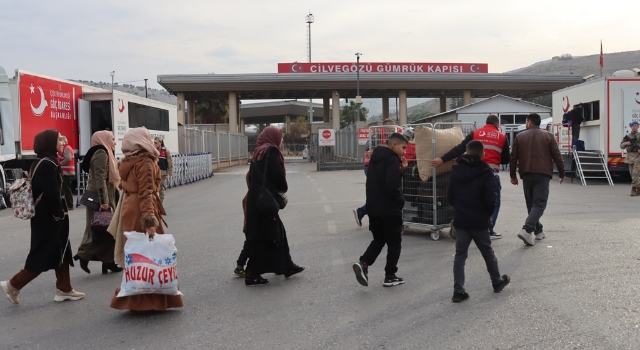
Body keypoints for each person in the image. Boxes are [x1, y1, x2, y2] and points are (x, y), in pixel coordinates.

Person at [1, 129, 84, 305]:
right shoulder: (47, 164)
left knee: (61, 251)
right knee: (43, 255)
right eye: (59, 139)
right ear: (49, 142)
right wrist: (59, 214)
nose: (62, 142)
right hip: (50, 219)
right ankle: (12, 284)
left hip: (47, 218)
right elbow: (52, 194)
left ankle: (64, 288)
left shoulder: (44, 161)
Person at [109, 127, 183, 312]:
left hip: (129, 208)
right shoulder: (146, 162)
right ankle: (150, 300)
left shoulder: (129, 162)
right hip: (142, 210)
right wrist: (149, 222)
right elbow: (147, 192)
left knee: (136, 255)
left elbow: (125, 185)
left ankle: (135, 297)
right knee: (151, 256)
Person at [447, 140, 510, 302]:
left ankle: (458, 290)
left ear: (466, 152)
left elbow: (450, 197)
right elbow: (491, 200)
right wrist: (486, 214)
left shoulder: (456, 170)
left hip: (461, 219)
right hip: (479, 219)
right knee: (487, 252)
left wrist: (460, 209)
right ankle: (496, 282)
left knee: (460, 255)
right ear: (483, 153)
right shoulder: (485, 172)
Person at [244, 126, 304, 286]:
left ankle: (287, 266)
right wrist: (282, 187)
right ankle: (253, 273)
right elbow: (277, 174)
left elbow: (251, 176)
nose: (282, 139)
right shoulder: (271, 151)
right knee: (268, 236)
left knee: (275, 232)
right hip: (265, 200)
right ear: (273, 137)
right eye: (280, 137)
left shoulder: (258, 152)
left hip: (256, 199)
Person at [432, 115, 509, 240]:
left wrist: (442, 159)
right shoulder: (502, 137)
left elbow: (460, 148)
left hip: (470, 173)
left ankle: (462, 224)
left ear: (486, 123)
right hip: (490, 175)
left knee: (469, 202)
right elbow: (506, 160)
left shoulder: (475, 133)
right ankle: (487, 230)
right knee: (493, 203)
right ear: (497, 125)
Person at [352, 132, 409, 287]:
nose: (404, 152)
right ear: (394, 145)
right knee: (394, 243)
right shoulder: (391, 159)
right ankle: (390, 275)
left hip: (374, 208)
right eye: (403, 147)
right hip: (389, 209)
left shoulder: (376, 158)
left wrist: (401, 171)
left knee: (379, 239)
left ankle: (364, 263)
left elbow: (380, 181)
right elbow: (391, 185)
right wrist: (401, 201)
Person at [510, 113, 565, 246]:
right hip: (543, 173)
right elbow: (557, 156)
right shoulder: (548, 136)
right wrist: (562, 173)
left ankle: (538, 231)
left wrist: (513, 175)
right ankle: (527, 229)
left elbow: (513, 158)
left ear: (529, 122)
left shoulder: (520, 136)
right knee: (539, 204)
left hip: (526, 173)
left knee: (532, 204)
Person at [73, 131, 123, 274]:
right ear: (104, 140)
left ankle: (108, 261)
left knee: (104, 228)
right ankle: (84, 255)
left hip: (102, 194)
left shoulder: (104, 152)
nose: (114, 142)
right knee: (103, 228)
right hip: (99, 196)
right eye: (112, 139)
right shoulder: (101, 153)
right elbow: (100, 178)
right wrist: (104, 201)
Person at [353, 119, 402, 227]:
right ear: (386, 127)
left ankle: (364, 212)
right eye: (392, 127)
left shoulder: (393, 136)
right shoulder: (378, 135)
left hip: (378, 167)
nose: (394, 129)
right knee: (381, 194)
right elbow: (368, 146)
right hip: (372, 167)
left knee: (380, 194)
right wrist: (372, 151)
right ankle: (362, 211)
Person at [620, 121, 640, 196]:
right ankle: (639, 187)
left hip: (637, 156)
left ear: (638, 126)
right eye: (632, 126)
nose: (634, 127)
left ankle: (634, 189)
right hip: (629, 156)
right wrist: (626, 143)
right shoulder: (627, 136)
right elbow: (621, 146)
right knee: (632, 174)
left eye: (635, 125)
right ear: (631, 127)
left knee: (635, 174)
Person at [57, 135, 75, 210]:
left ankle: (70, 205)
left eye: (61, 141)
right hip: (67, 172)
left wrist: (59, 164)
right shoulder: (67, 148)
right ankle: (68, 204)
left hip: (67, 172)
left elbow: (68, 159)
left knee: (66, 189)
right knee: (66, 189)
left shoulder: (66, 148)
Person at [154, 136, 173, 203]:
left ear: (160, 142)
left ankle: (160, 202)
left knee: (160, 188)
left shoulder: (165, 151)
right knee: (154, 188)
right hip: (154, 173)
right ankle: (156, 203)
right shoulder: (153, 151)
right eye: (154, 142)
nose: (155, 144)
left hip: (163, 172)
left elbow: (169, 161)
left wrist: (170, 171)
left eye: (156, 143)